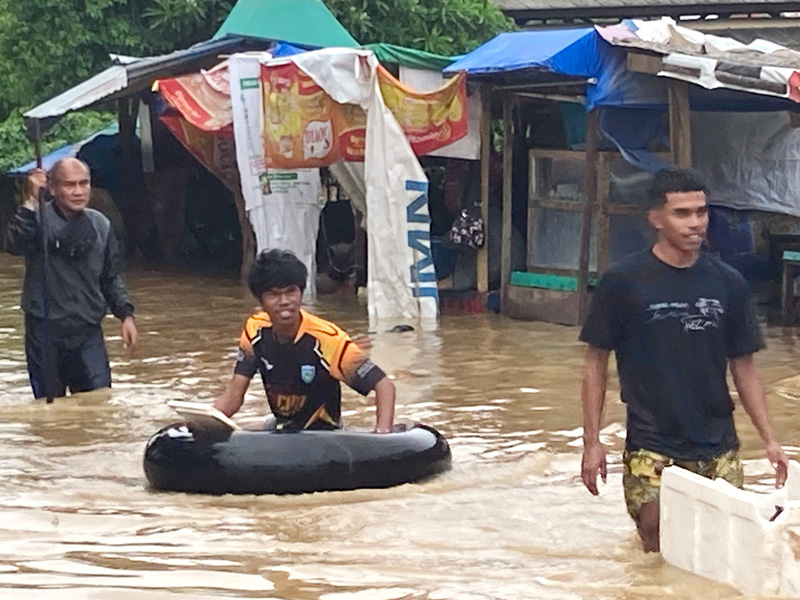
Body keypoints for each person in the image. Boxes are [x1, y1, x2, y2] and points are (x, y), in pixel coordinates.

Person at [579, 169, 788, 553]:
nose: (695, 223)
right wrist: (591, 443)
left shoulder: (728, 283)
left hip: (717, 442)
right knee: (656, 531)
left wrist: (770, 440)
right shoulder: (623, 282)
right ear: (656, 218)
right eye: (682, 213)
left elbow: (745, 368)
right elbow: (595, 365)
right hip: (651, 440)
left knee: (723, 544)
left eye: (701, 212)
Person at [214, 249, 396, 432]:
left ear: (301, 293)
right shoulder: (255, 330)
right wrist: (198, 425)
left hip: (324, 434)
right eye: (274, 295)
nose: (284, 301)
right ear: (260, 300)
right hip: (281, 426)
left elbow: (384, 386)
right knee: (239, 430)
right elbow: (233, 398)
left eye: (291, 292)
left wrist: (383, 434)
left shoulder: (328, 340)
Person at [6, 158, 138, 399]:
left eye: (83, 183)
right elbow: (14, 244)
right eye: (69, 185)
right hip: (45, 330)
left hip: (87, 330)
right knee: (51, 407)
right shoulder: (37, 220)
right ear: (52, 188)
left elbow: (110, 276)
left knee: (99, 401)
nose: (78, 191)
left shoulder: (101, 225)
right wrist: (33, 199)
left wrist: (125, 315)